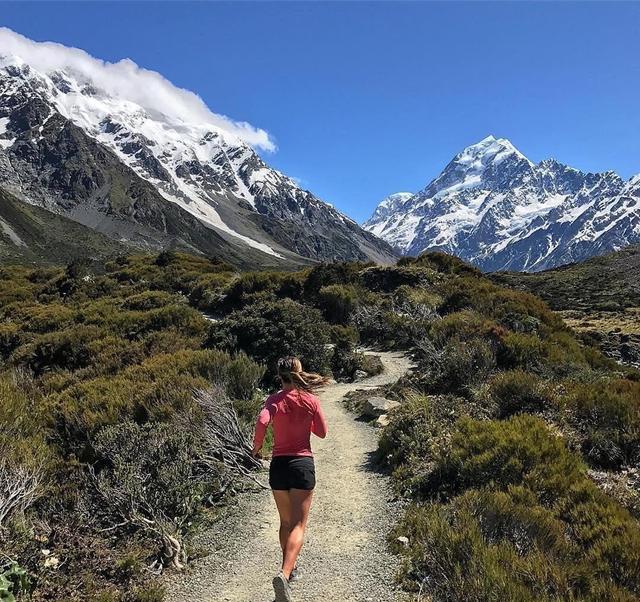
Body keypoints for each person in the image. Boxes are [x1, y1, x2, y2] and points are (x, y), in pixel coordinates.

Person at [252, 356, 330, 602]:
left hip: (278, 466)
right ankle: (285, 574)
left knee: (285, 523)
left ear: (279, 374)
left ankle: (288, 566)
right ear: (299, 371)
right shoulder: (310, 400)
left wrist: (256, 448)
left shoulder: (274, 399)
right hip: (301, 464)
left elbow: (262, 420)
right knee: (299, 525)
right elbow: (322, 433)